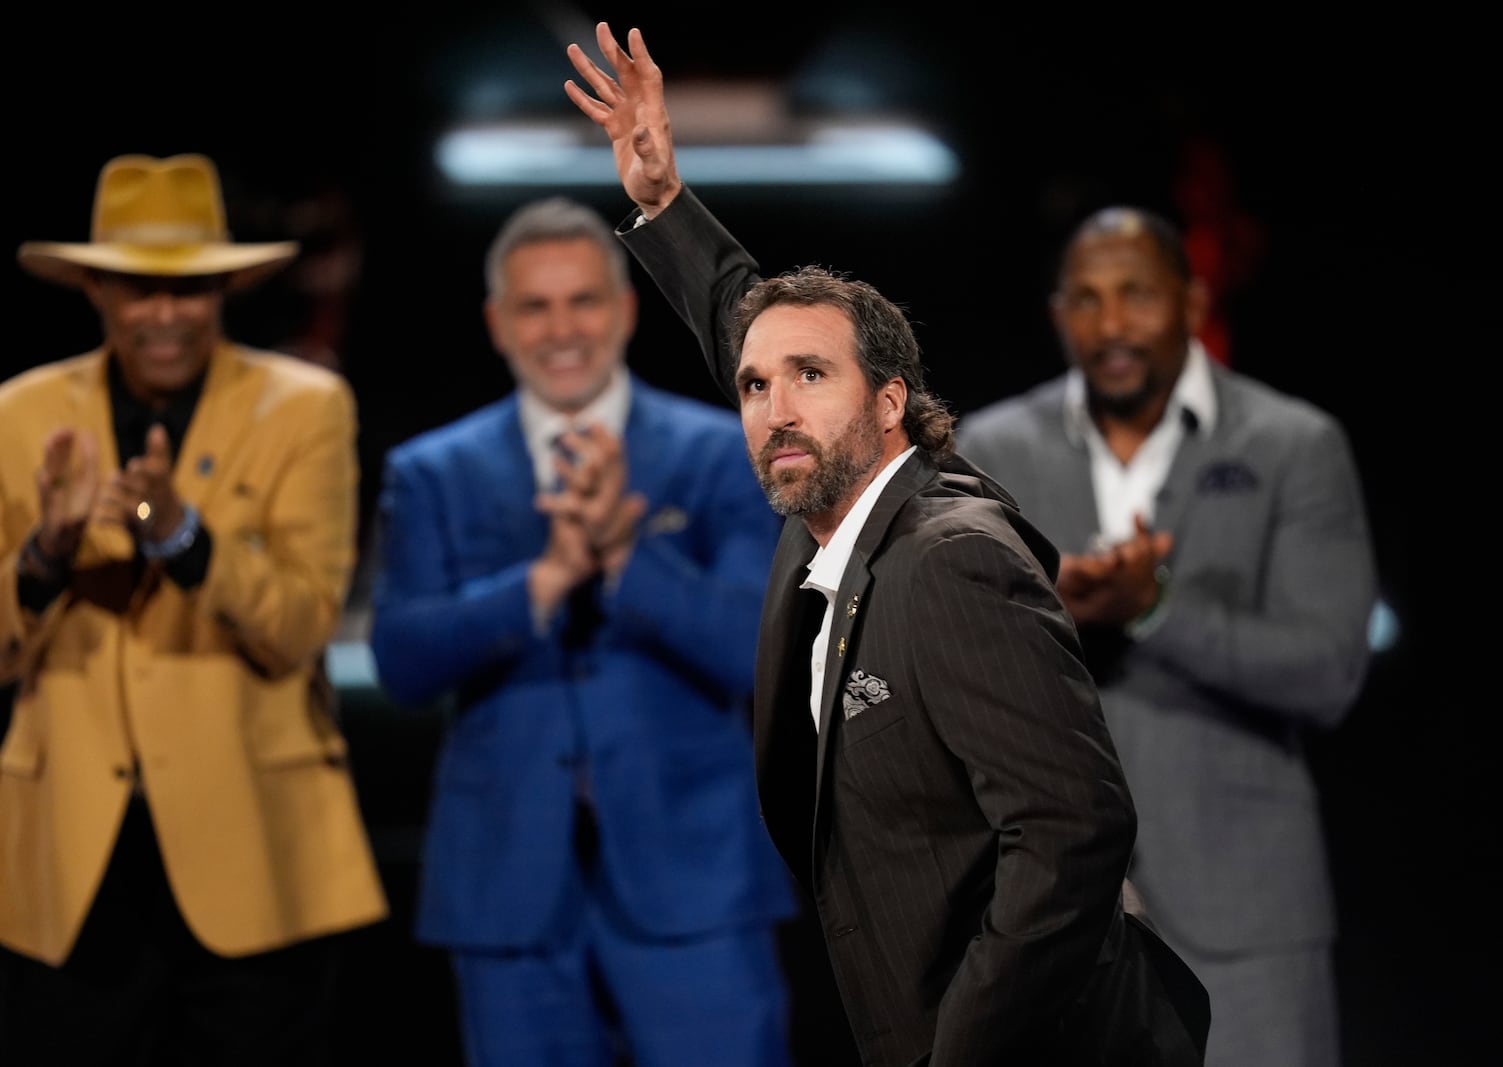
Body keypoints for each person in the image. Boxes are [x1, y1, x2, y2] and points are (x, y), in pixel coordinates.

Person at [565, 24, 1210, 1066]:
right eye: (754, 386)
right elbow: (747, 315)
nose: (775, 407)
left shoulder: (949, 559)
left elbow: (1072, 834)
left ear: (893, 404)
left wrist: (958, 1048)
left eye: (811, 378)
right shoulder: (828, 501)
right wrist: (661, 201)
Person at [365, 195, 797, 1067]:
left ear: (626, 309)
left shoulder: (724, 452)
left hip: (695, 877)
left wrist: (625, 557)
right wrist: (543, 579)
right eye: (535, 305)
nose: (562, 328)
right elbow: (401, 658)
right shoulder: (430, 472)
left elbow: (760, 646)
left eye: (583, 301)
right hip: (507, 887)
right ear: (497, 322)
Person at [955, 204, 1378, 1066]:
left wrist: (1154, 609)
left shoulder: (1293, 445)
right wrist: (1045, 612)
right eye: (1088, 299)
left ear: (1191, 301)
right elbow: (954, 665)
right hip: (1047, 919)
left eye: (1137, 296)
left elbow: (1329, 670)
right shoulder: (990, 448)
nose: (1112, 324)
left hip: (1246, 916)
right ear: (1057, 314)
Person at [0, 153, 388, 1065]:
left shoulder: (306, 409)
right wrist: (45, 556)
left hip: (252, 850)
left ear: (223, 291)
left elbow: (298, 624)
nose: (165, 314)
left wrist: (184, 539)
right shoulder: (20, 416)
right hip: (70, 867)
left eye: (189, 289)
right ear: (94, 287)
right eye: (139, 288)